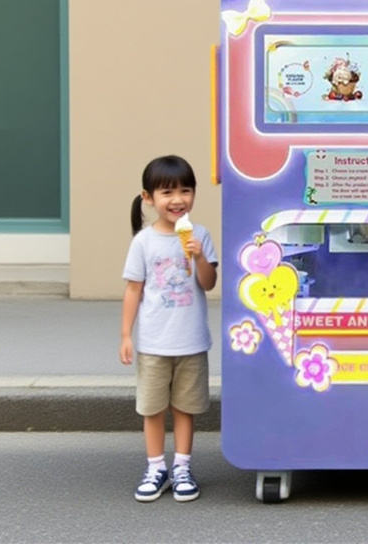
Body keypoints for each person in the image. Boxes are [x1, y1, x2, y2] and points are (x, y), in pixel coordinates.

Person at [119, 155, 218, 502]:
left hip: (191, 341)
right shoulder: (143, 242)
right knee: (152, 408)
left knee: (185, 408)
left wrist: (199, 257)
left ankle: (182, 467)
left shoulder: (200, 235)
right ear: (148, 198)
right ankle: (156, 467)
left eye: (185, 191)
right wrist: (126, 335)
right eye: (167, 192)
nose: (178, 200)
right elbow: (133, 289)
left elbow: (208, 283)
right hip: (154, 343)